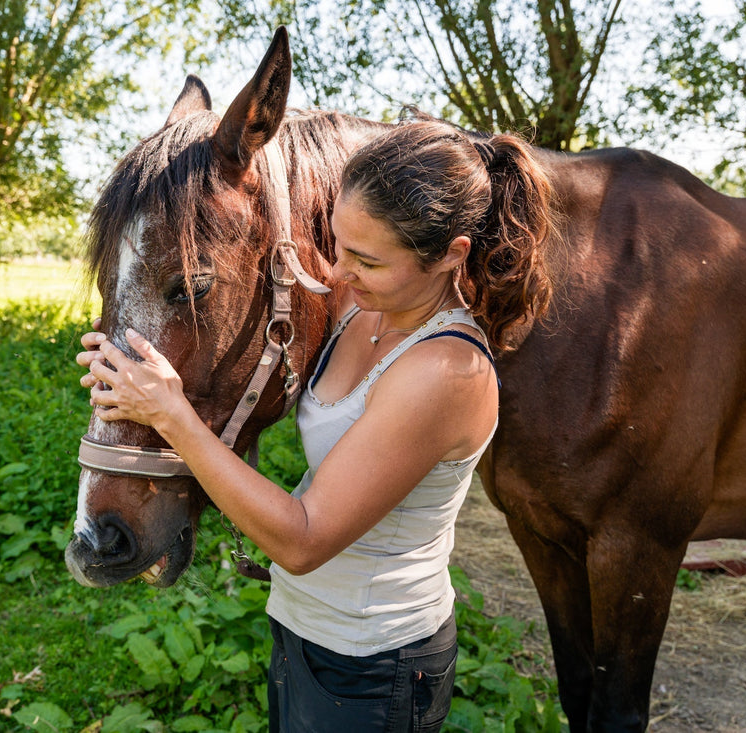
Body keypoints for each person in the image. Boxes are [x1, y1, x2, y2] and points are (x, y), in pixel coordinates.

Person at [76, 119, 554, 732]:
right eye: (337, 242)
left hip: (375, 663)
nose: (335, 271)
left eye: (366, 259)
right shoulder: (362, 305)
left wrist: (172, 415)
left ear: (450, 256)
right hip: (305, 631)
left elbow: (303, 540)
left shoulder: (446, 370)